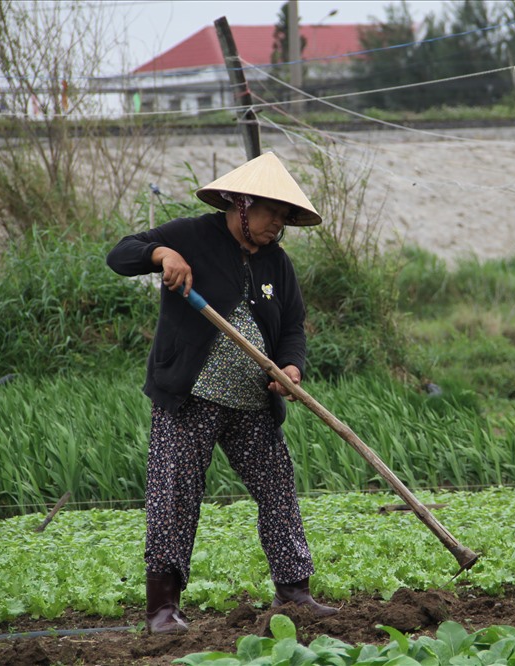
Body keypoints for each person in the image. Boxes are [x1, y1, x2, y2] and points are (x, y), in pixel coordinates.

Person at [106, 152, 338, 634]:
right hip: (189, 398)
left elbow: (292, 327)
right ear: (242, 203)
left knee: (277, 488)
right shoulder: (192, 235)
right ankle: (162, 609)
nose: (277, 222)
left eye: (284, 215)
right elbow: (121, 253)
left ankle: (295, 592)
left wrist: (290, 369)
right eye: (271, 211)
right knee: (175, 493)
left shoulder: (279, 264)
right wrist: (161, 255)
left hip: (252, 402)